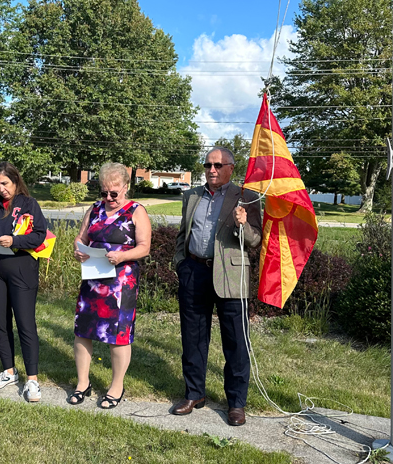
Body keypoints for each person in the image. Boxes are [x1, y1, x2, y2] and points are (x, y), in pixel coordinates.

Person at [172, 147, 262, 426]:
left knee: (235, 341)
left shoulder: (246, 197)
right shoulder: (192, 196)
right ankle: (194, 393)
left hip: (231, 277)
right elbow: (182, 233)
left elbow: (256, 241)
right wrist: (181, 263)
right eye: (208, 164)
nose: (211, 170)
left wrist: (243, 225)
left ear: (230, 168)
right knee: (193, 337)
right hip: (194, 272)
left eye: (218, 165)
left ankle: (236, 403)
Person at [71, 163, 151, 408]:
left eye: (113, 193)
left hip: (121, 282)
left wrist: (122, 256)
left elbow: (144, 247)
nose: (108, 198)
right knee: (83, 331)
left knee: (118, 335)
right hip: (92, 280)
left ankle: (116, 386)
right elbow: (81, 238)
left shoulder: (136, 211)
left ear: (125, 188)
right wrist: (78, 250)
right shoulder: (94, 209)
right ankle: (82, 383)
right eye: (103, 192)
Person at [0, 162, 47, 402]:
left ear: (15, 181)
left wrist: (14, 240)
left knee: (25, 324)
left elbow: (39, 235)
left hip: (21, 270)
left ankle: (32, 380)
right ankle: (8, 372)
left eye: (5, 183)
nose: (2, 189)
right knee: (0, 323)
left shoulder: (29, 204)